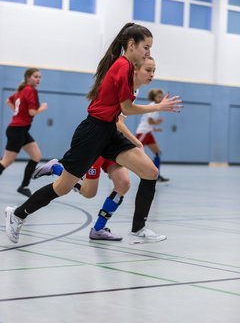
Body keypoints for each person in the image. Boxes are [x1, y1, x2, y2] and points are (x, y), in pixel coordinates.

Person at [5, 22, 182, 245]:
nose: (148, 53)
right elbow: (126, 108)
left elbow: (120, 112)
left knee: (150, 172)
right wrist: (158, 106)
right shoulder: (123, 66)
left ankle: (138, 229)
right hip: (93, 131)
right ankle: (18, 213)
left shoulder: (125, 66)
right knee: (63, 188)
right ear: (131, 45)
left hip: (108, 131)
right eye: (146, 47)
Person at [31, 57, 157, 243]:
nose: (152, 74)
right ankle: (57, 168)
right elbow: (118, 122)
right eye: (149, 69)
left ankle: (98, 229)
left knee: (123, 184)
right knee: (89, 193)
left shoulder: (135, 89)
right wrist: (136, 142)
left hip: (115, 145)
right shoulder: (123, 84)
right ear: (136, 70)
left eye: (154, 70)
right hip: (99, 145)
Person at [0, 68, 48, 197]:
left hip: (21, 130)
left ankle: (24, 186)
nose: (38, 79)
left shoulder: (22, 90)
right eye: (35, 76)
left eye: (40, 77)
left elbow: (8, 101)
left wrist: (19, 112)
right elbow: (32, 112)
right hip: (17, 130)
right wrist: (42, 108)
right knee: (6, 161)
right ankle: (24, 185)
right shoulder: (30, 90)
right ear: (28, 78)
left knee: (36, 156)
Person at [136, 88, 169, 182]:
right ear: (153, 97)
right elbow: (150, 121)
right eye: (159, 97)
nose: (161, 98)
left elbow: (149, 123)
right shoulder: (152, 106)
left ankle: (157, 175)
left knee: (158, 153)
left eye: (161, 97)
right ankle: (116, 170)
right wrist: (157, 123)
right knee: (132, 154)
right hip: (142, 133)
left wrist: (155, 128)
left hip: (148, 133)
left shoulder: (157, 107)